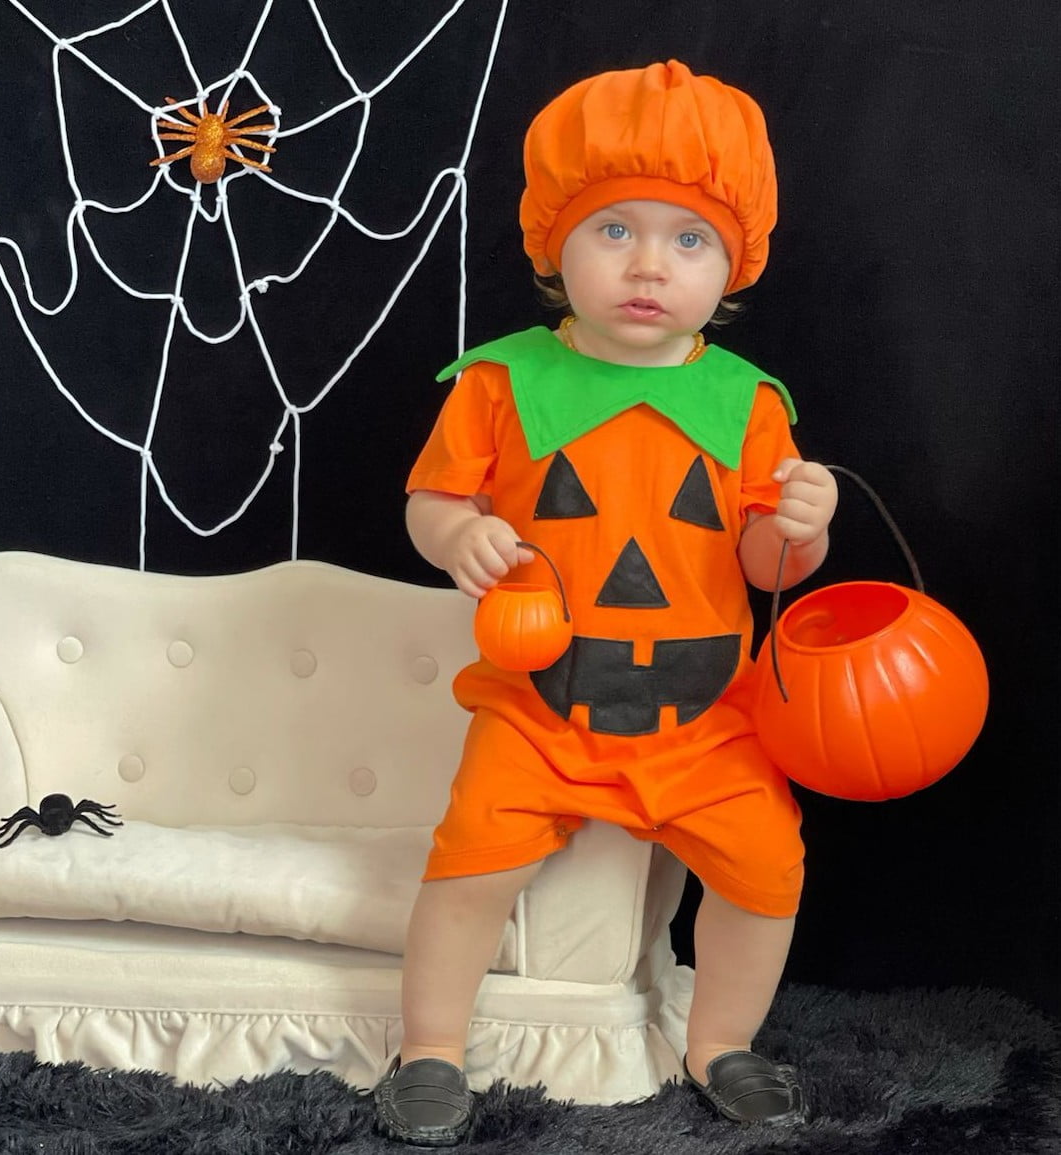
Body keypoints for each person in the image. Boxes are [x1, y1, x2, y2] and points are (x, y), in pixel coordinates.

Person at [374, 59, 838, 1146]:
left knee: (770, 865)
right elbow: (428, 503)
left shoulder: (749, 402)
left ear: (732, 268)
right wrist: (461, 535)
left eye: (688, 240)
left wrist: (802, 530)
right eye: (613, 230)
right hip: (538, 701)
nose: (647, 264)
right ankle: (430, 1046)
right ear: (555, 246)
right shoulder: (501, 383)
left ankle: (721, 1039)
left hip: (704, 716)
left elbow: (766, 569)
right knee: (466, 866)